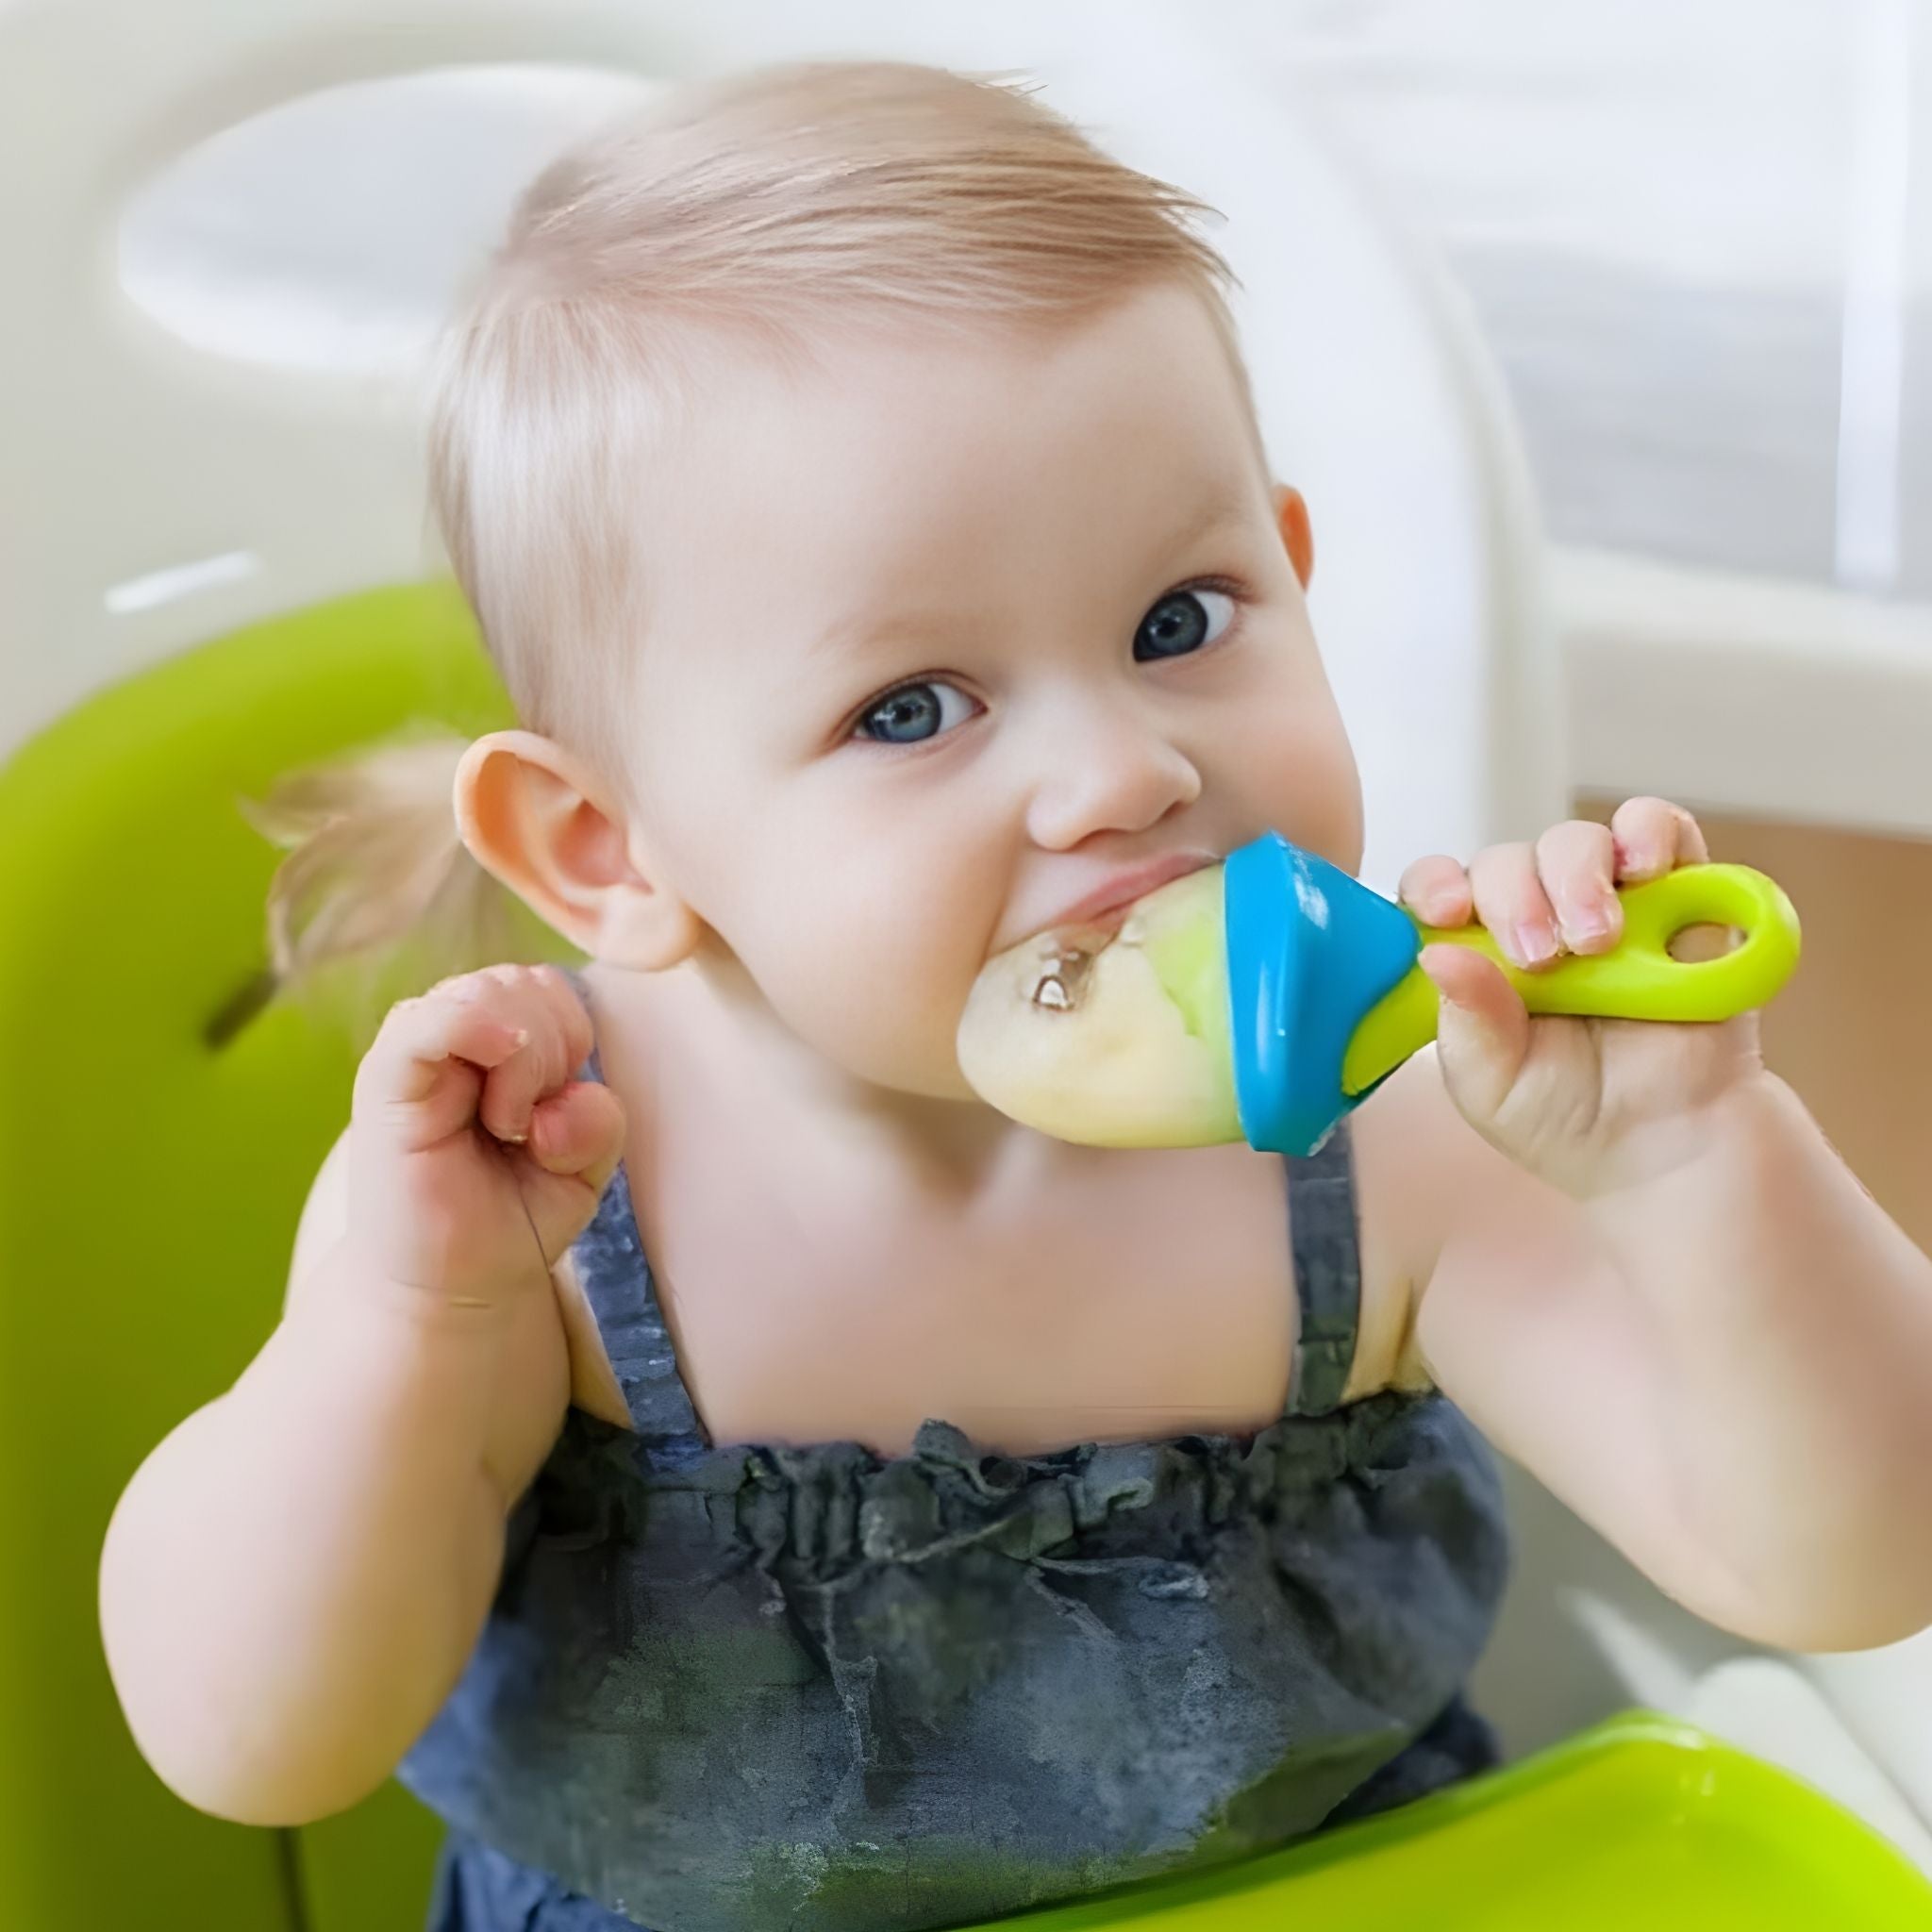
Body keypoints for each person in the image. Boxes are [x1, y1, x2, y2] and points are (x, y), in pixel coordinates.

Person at [98, 59, 1932, 1932]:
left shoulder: (1394, 1128)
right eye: (911, 709)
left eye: (1178, 620)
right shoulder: (539, 1211)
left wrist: (1695, 1159)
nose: (1125, 770)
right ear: (612, 853)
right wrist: (406, 1324)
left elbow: (1855, 1563)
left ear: (1295, 578)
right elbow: (253, 1743)